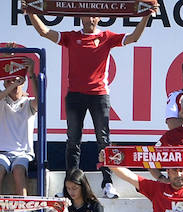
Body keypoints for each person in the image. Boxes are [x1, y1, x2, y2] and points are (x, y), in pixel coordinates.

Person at [27, 11, 152, 197]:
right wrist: (30, 12)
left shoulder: (106, 37)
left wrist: (146, 16)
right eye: (87, 16)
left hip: (99, 95)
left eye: (94, 16)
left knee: (103, 140)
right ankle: (70, 186)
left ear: (100, 17)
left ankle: (108, 182)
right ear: (80, 17)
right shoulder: (72, 37)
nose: (90, 19)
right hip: (75, 95)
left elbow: (134, 37)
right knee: (73, 141)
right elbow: (44, 32)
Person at [0, 57, 37, 193]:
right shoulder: (2, 99)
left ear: (23, 82)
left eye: (17, 81)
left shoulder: (28, 102)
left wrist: (31, 73)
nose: (14, 85)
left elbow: (40, 101)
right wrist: (12, 83)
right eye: (9, 81)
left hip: (22, 153)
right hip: (2, 152)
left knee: (18, 171)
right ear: (4, 84)